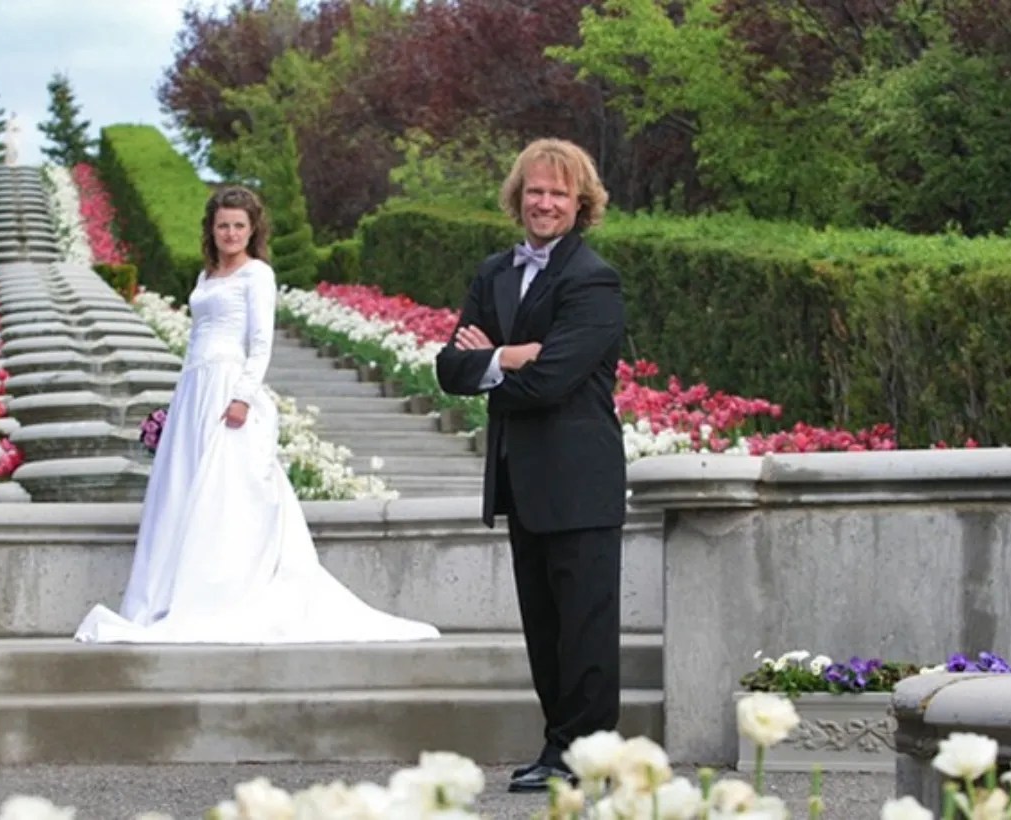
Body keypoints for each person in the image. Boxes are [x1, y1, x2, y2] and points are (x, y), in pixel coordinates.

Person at [76, 187, 439, 645]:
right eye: (223, 225)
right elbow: (195, 341)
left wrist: (243, 396)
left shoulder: (257, 275)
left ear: (252, 230)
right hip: (195, 387)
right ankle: (166, 595)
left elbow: (261, 342)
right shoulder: (207, 275)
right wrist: (181, 399)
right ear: (212, 228)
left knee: (227, 489)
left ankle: (221, 592)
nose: (230, 233)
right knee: (183, 488)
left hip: (229, 385)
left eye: (239, 226)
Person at [435, 139, 626, 792]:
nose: (545, 203)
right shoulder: (493, 273)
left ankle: (587, 760)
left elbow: (551, 385)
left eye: (559, 193)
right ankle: (558, 751)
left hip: (580, 482)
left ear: (581, 204)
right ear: (518, 197)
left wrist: (494, 359)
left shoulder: (592, 279)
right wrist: (513, 357)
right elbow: (448, 368)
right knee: (545, 631)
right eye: (535, 191)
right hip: (522, 481)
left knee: (585, 633)